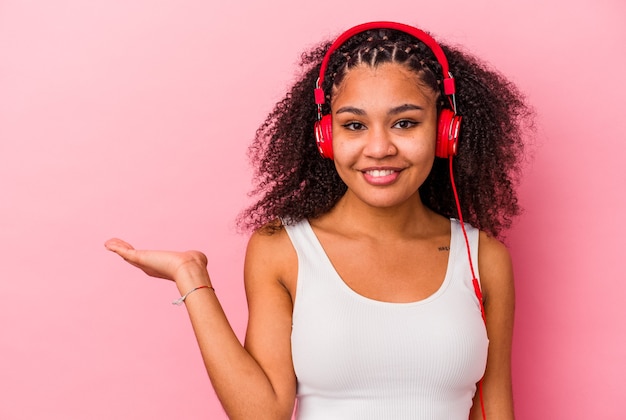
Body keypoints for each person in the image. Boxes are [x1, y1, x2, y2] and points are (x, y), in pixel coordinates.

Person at [105, 21, 532, 420]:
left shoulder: (483, 258)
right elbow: (262, 412)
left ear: (445, 131)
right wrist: (190, 277)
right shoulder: (283, 249)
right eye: (354, 125)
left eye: (404, 123)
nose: (379, 148)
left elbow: (493, 410)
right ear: (326, 138)